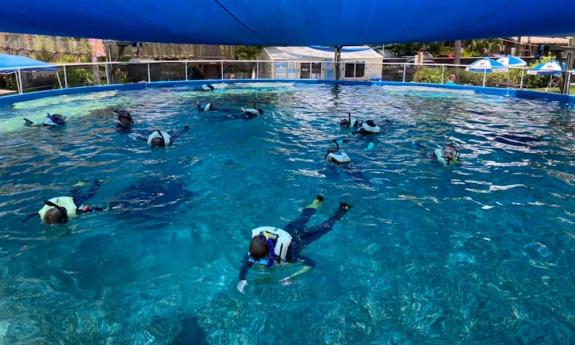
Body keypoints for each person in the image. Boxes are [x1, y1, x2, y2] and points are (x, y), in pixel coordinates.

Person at [237, 195, 351, 293]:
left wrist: (292, 277)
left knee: (325, 226)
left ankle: (342, 210)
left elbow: (311, 264)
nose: (257, 260)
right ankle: (318, 199)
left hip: (302, 238)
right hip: (289, 230)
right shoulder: (254, 253)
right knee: (304, 217)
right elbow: (246, 265)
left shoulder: (288, 255)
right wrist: (242, 279)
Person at [25, 180, 106, 225]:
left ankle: (98, 183)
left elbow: (93, 209)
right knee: (73, 192)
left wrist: (102, 209)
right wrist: (25, 220)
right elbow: (33, 215)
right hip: (62, 200)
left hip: (73, 202)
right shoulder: (42, 213)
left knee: (89, 195)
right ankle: (80, 183)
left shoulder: (75, 210)